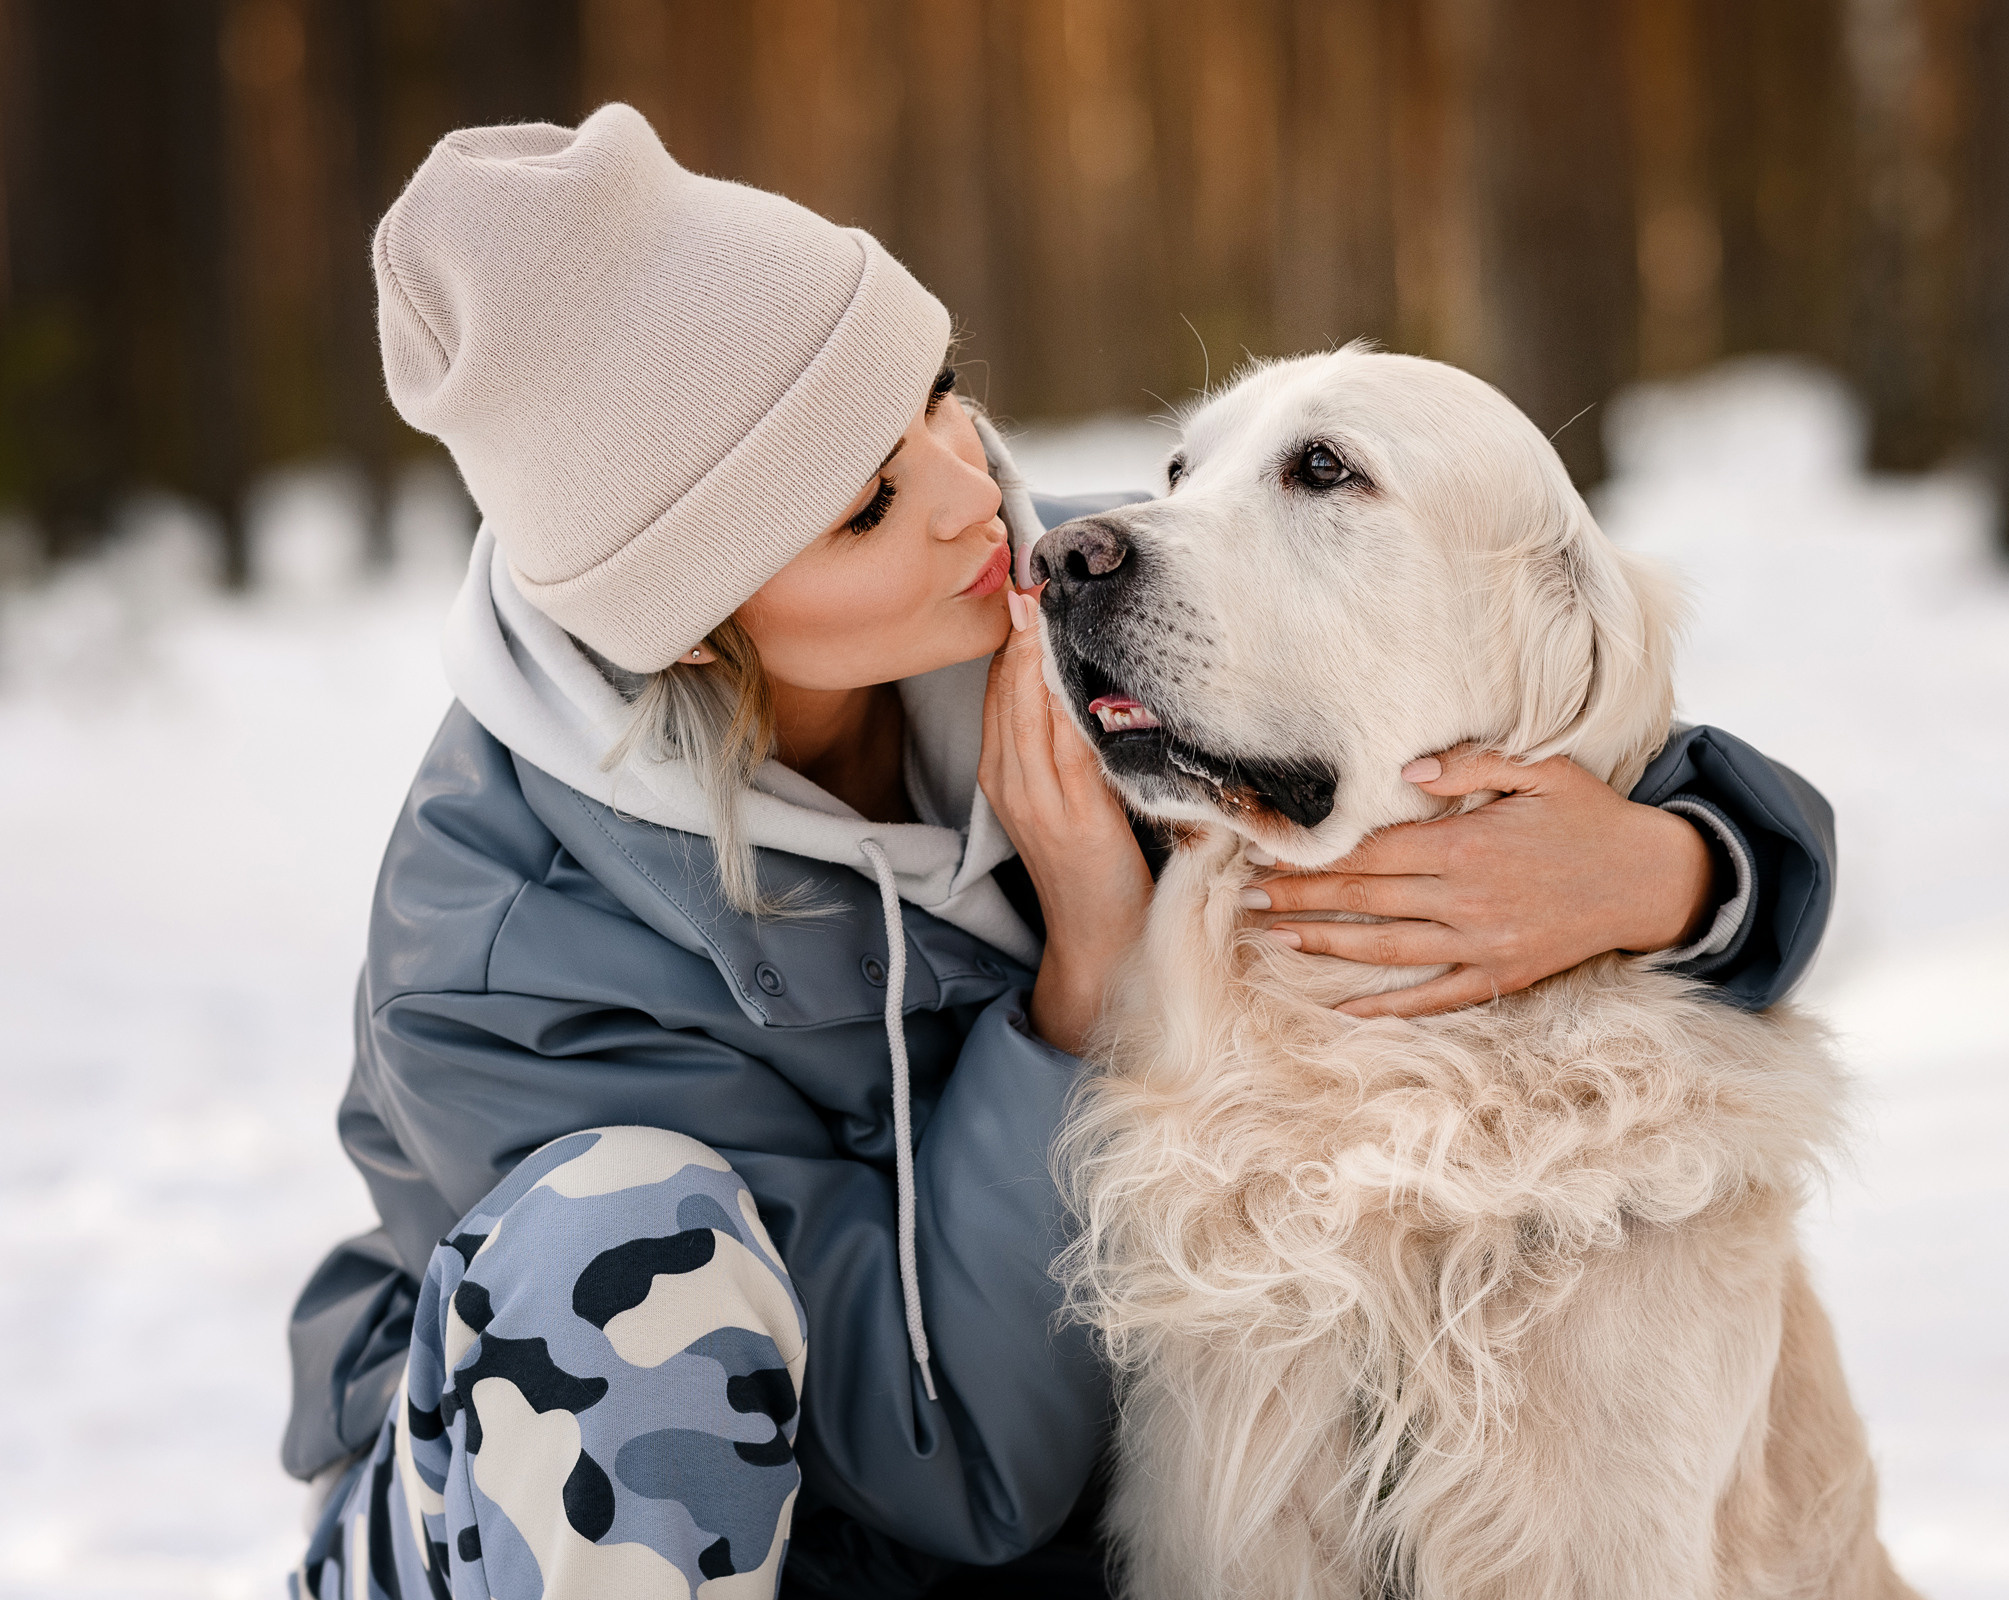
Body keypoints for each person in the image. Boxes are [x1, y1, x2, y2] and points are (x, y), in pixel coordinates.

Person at [285, 105, 1835, 1600]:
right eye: (873, 500)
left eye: (938, 393)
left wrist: (1672, 869)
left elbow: (1486, 683)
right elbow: (938, 1471)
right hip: (634, 1517)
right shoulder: (502, 965)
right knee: (612, 1257)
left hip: (1032, 1537)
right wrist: (1088, 963)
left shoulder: (1044, 602)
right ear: (696, 633)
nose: (987, 503)